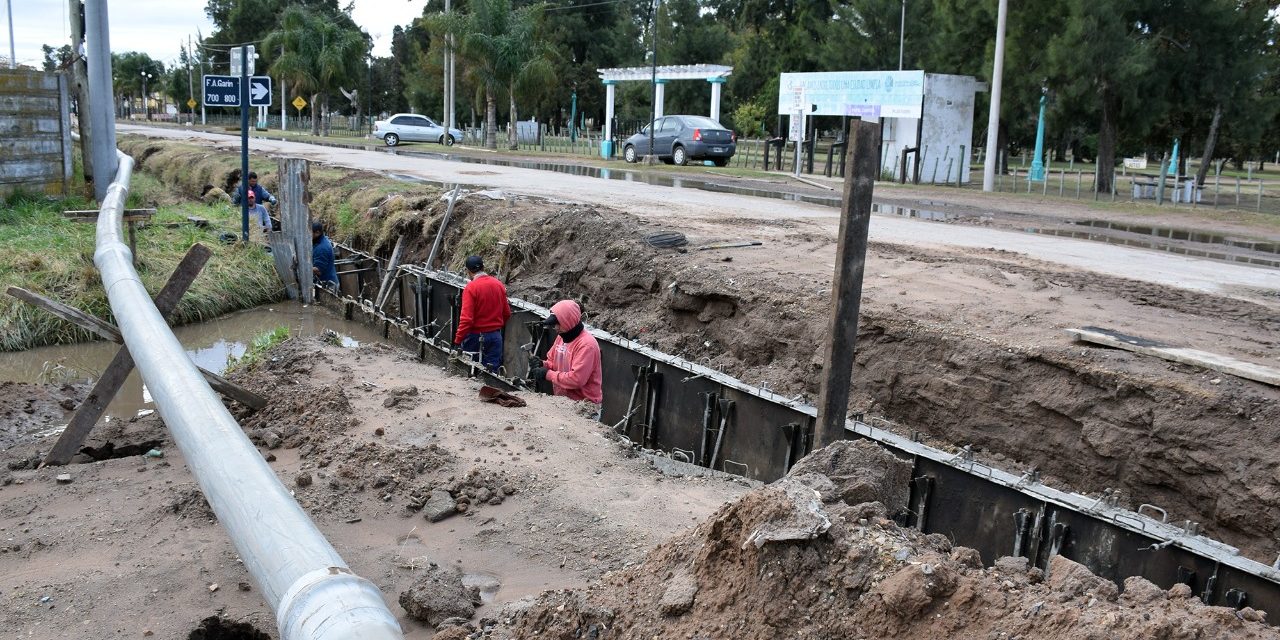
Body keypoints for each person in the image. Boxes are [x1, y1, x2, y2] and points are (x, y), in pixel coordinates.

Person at [530, 300, 602, 404]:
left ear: (569, 321)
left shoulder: (587, 345)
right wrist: (542, 364)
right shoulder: (562, 336)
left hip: (584, 405)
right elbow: (553, 363)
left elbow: (577, 379)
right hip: (564, 401)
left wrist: (547, 374)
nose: (555, 327)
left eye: (558, 323)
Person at [453, 256, 512, 372]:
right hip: (495, 337)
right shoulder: (499, 285)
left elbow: (466, 319)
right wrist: (495, 326)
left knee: (469, 371)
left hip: (475, 337)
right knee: (492, 373)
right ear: (483, 267)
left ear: (468, 271)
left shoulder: (471, 288)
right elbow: (507, 313)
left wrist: (457, 340)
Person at [311, 221, 338, 286]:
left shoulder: (322, 248)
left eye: (309, 232)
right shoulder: (319, 240)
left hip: (329, 286)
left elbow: (319, 270)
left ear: (317, 233)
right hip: (325, 282)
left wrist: (303, 267)